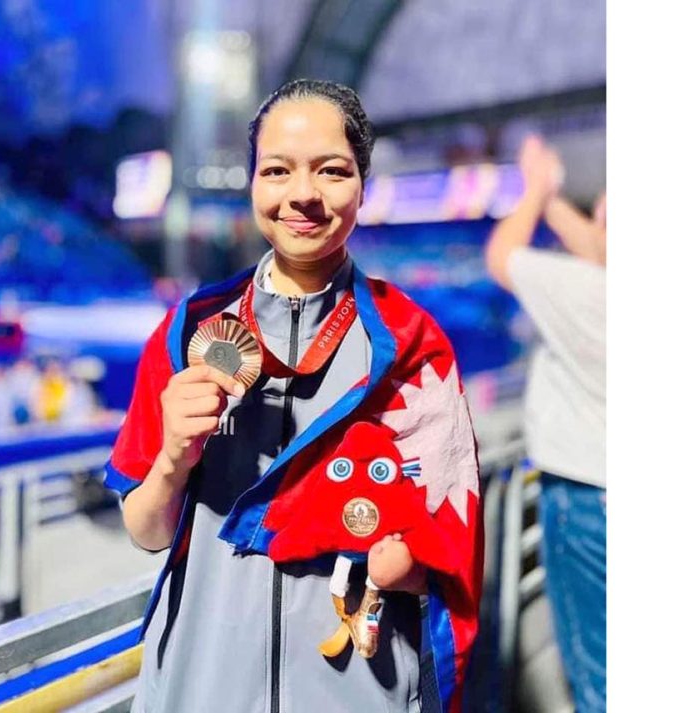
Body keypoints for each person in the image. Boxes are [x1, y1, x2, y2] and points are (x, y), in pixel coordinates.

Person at [104, 79, 484, 713]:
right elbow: (146, 531)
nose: (302, 194)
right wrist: (172, 459)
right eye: (277, 170)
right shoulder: (188, 332)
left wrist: (404, 563)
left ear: (362, 185)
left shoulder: (411, 346)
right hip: (201, 690)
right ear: (254, 183)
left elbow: (449, 560)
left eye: (331, 170)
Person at [484, 135, 606, 712]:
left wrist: (533, 191)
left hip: (586, 504)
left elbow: (502, 255)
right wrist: (554, 193)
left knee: (600, 676)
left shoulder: (589, 292)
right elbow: (601, 251)